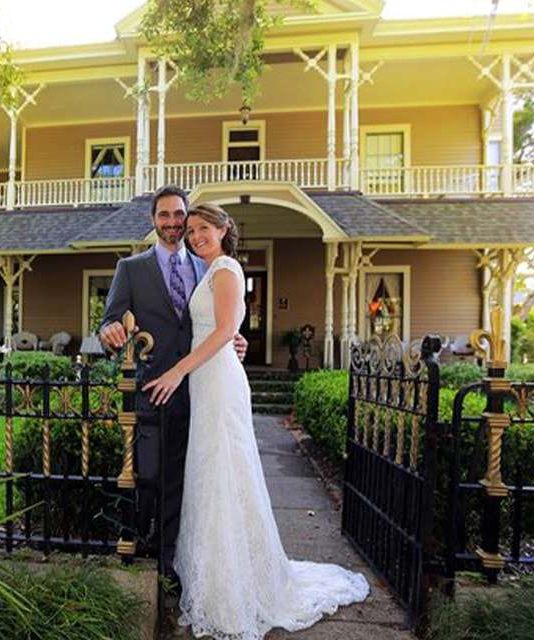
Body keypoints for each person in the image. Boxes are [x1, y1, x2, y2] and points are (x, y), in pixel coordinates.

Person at [142, 202, 369, 639]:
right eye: (190, 231)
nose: (195, 236)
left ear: (225, 228)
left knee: (226, 473)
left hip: (218, 383)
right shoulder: (211, 270)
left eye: (203, 228)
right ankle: (216, 578)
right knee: (211, 475)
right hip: (208, 381)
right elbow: (225, 329)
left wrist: (178, 370)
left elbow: (224, 329)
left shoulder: (225, 268)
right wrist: (231, 338)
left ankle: (232, 592)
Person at [99, 185, 247, 580]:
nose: (172, 223)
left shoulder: (207, 263)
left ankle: (175, 562)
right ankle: (144, 553)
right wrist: (110, 331)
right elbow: (108, 321)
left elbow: (219, 322)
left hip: (202, 390)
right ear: (153, 220)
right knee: (148, 476)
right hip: (154, 388)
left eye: (178, 215)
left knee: (192, 479)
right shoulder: (130, 269)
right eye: (163, 215)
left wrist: (233, 340)